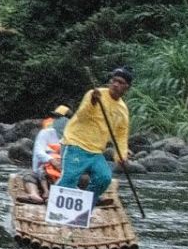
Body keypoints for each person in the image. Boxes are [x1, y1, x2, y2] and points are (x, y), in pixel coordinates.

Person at [57, 68, 133, 204]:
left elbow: (121, 135)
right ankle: (57, 209)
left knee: (104, 178)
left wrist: (121, 156)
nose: (115, 84)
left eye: (120, 82)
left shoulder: (122, 109)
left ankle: (87, 203)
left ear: (126, 87)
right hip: (76, 143)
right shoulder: (95, 94)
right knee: (70, 178)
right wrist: (92, 102)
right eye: (114, 80)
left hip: (96, 151)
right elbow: (81, 115)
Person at [21, 104, 71, 203]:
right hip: (44, 171)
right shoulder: (45, 133)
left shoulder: (73, 136)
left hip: (64, 172)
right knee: (28, 175)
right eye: (56, 117)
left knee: (84, 177)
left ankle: (90, 196)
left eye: (60, 117)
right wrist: (52, 161)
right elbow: (39, 152)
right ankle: (34, 195)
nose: (56, 120)